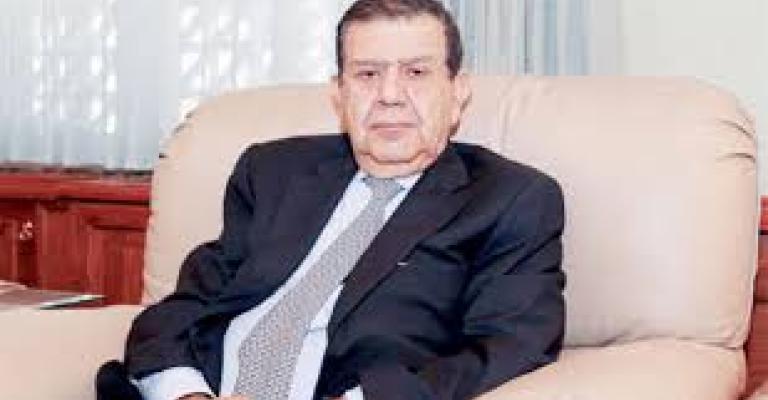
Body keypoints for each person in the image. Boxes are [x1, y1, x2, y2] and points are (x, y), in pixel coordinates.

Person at [96, 0, 565, 399]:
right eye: (367, 74)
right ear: (339, 93)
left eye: (416, 72)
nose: (389, 95)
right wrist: (188, 394)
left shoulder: (509, 199)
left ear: (458, 92)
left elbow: (509, 345)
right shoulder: (274, 171)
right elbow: (186, 305)